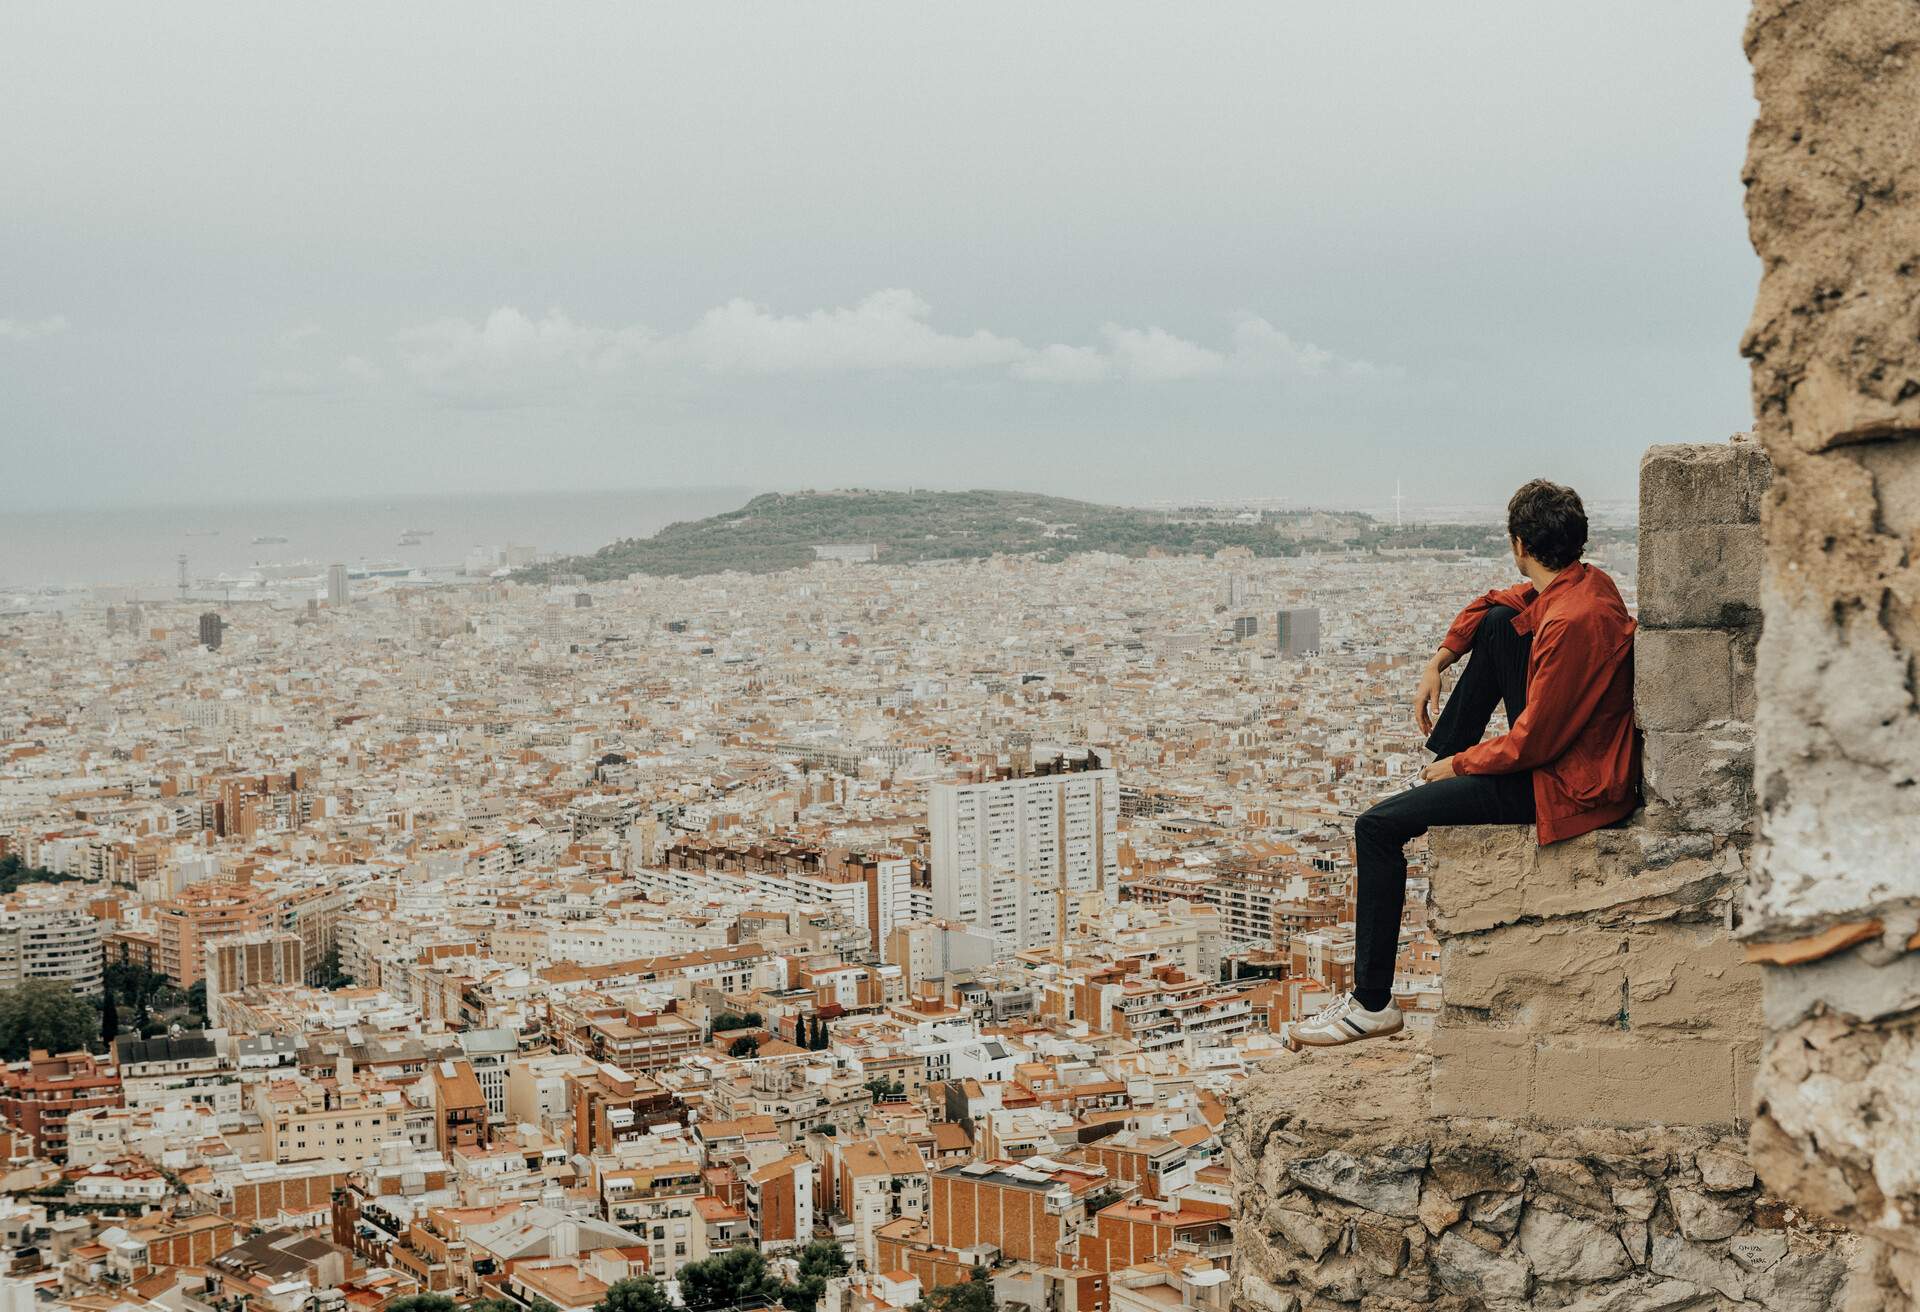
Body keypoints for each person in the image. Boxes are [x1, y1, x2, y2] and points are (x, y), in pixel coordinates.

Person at [1289, 478, 1640, 1048]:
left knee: (1377, 827)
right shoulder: (1584, 586)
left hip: (1567, 784)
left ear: (1519, 543)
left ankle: (1370, 1005)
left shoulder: (1573, 622)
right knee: (1501, 624)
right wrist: (1440, 658)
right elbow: (1495, 605)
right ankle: (1436, 764)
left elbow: (1535, 744)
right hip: (1567, 757)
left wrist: (1460, 768)